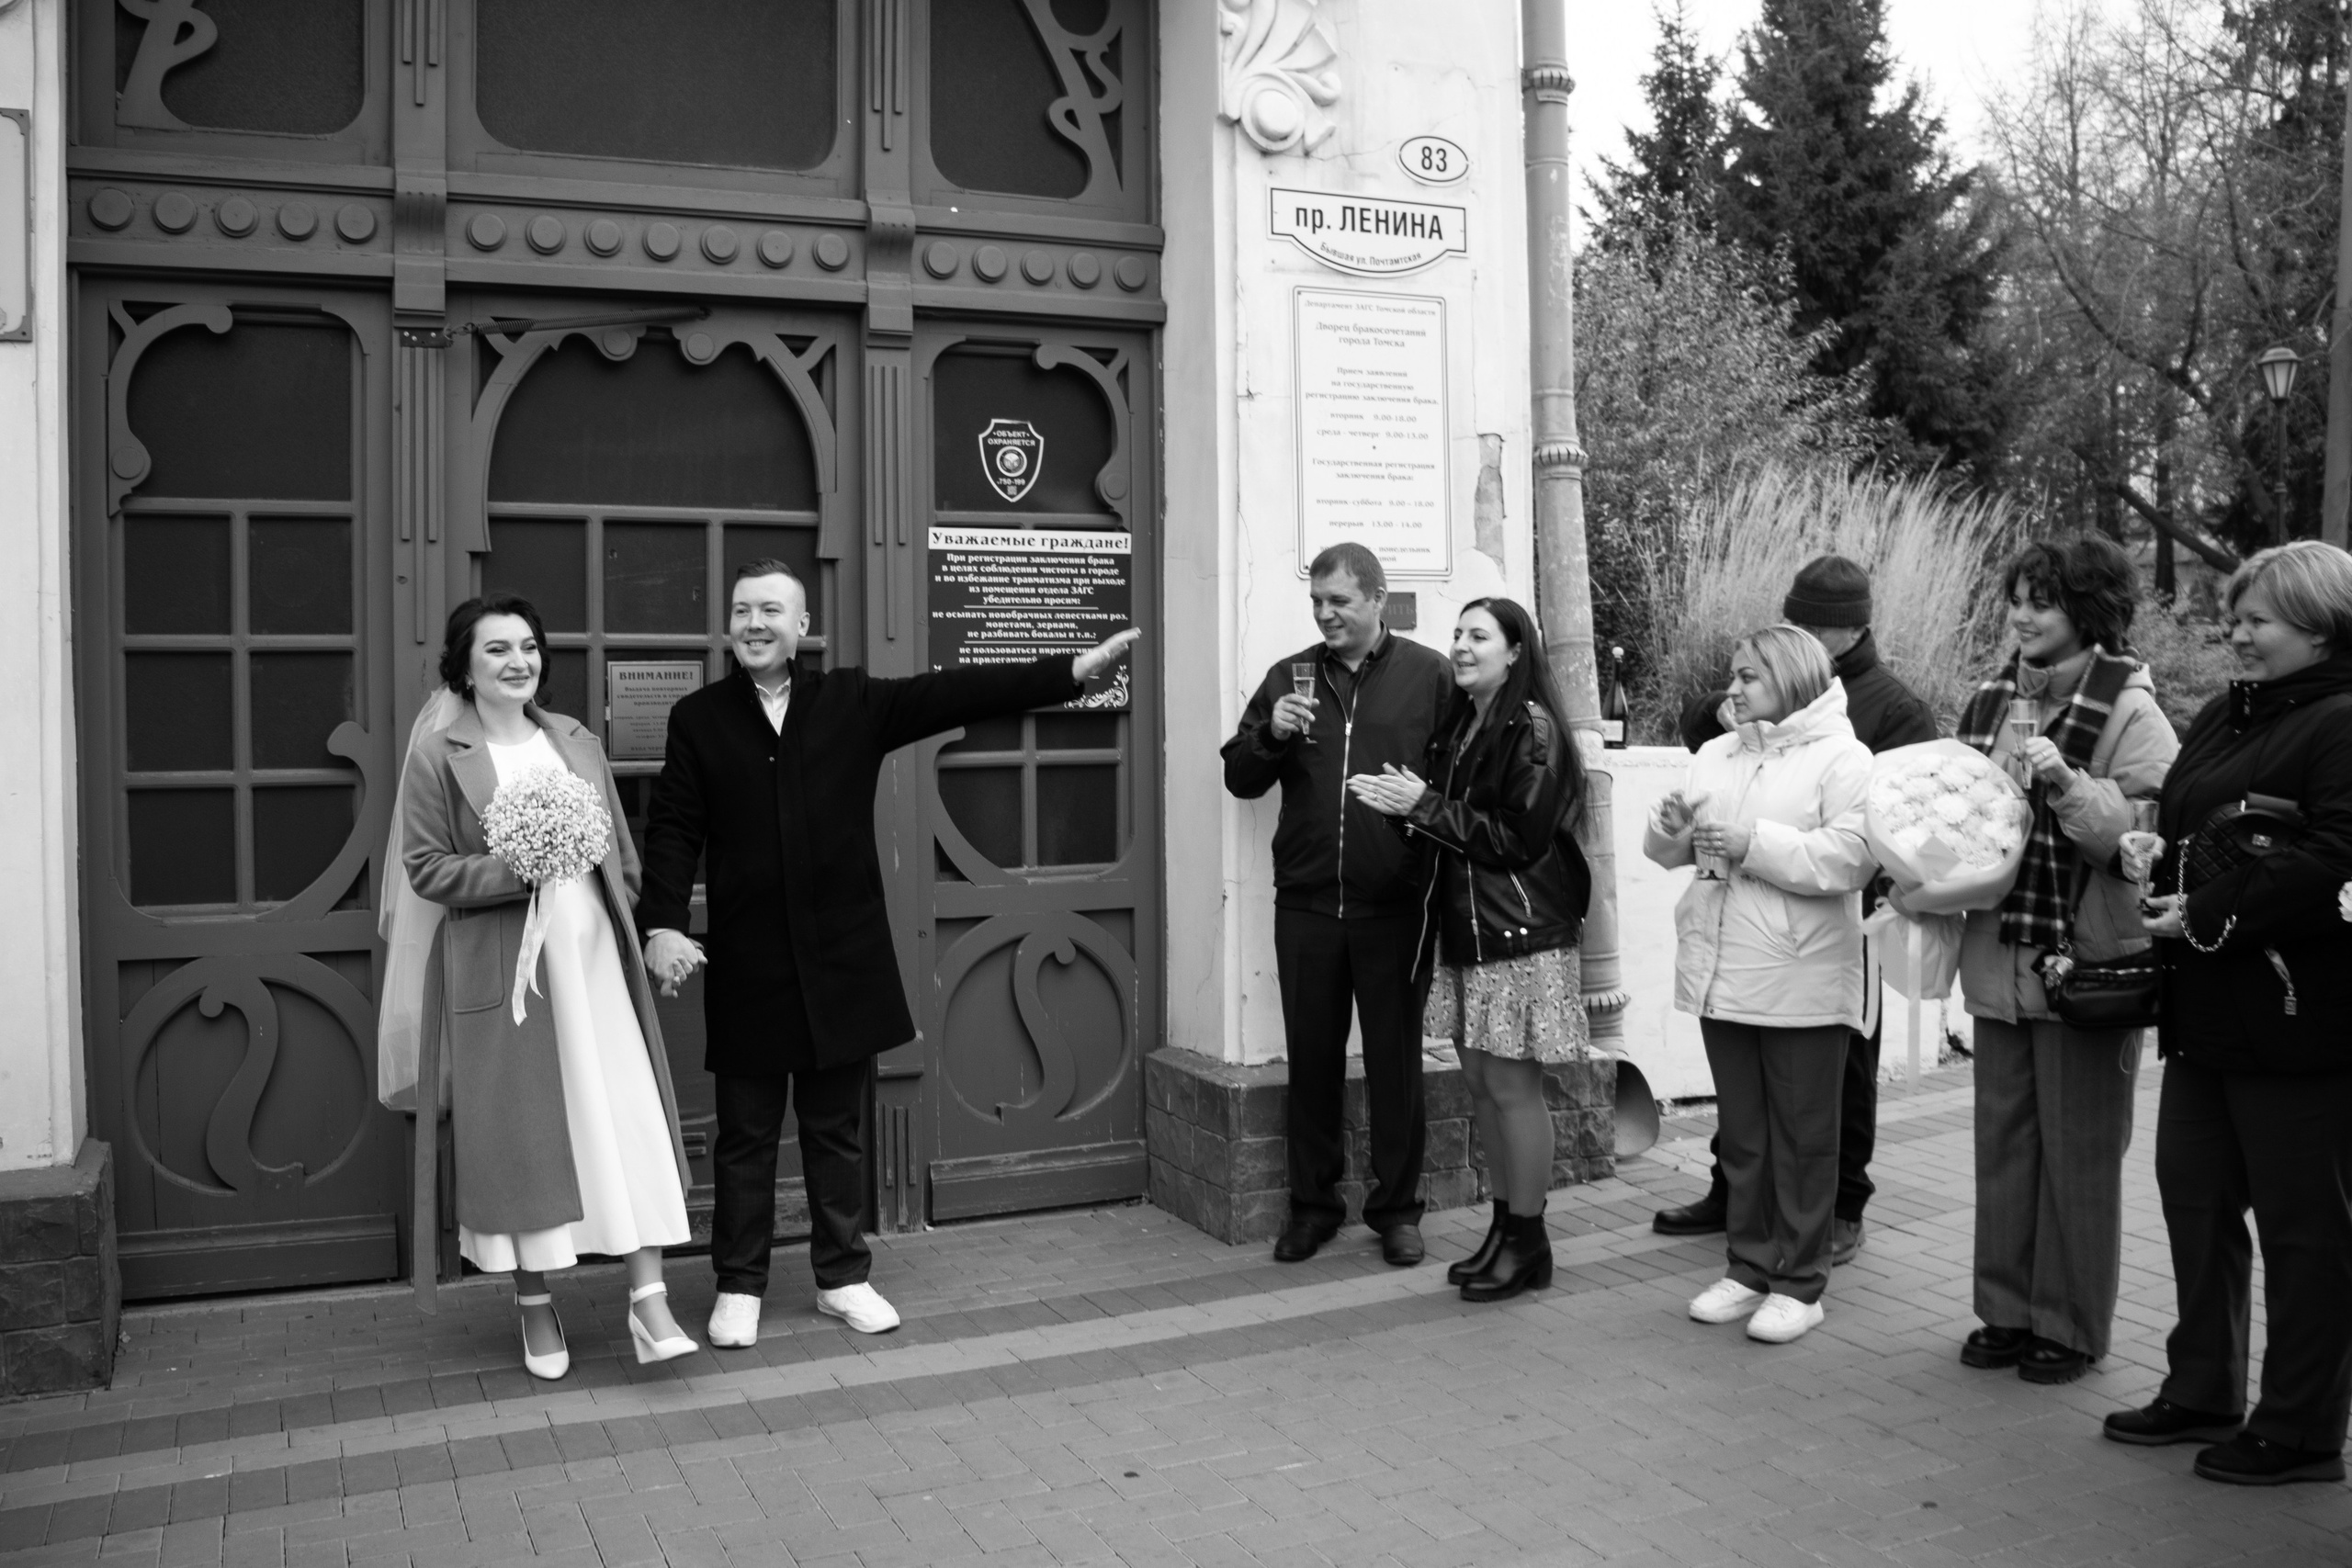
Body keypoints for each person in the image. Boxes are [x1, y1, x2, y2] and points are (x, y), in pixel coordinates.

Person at [638, 560, 1138, 1346]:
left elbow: (957, 693)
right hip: (750, 961)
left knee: (836, 1129)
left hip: (844, 959)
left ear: (803, 626)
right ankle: (738, 1283)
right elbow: (671, 826)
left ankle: (842, 1277)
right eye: (741, 611)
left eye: (771, 610)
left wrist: (1068, 673)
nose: (754, 624)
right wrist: (663, 923)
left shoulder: (851, 701)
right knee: (746, 1136)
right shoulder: (698, 718)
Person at [384, 592, 698, 1379]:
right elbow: (426, 869)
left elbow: (620, 853)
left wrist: (634, 927)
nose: (517, 661)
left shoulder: (575, 740)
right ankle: (534, 1304)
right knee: (521, 1138)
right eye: (497, 649)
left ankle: (649, 1300)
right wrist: (520, 866)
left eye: (527, 646)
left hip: (594, 969)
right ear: (464, 666)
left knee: (623, 1116)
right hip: (509, 975)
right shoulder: (438, 756)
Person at [2109, 540, 2352, 1485]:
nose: (2238, 635)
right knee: (2193, 1198)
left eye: (2260, 620)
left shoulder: (2340, 720)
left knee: (2304, 1229)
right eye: (2235, 617)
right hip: (2208, 1010)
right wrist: (2153, 852)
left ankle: (2301, 1429)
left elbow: (2333, 858)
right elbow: (2205, 825)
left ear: (2321, 627)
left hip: (2300, 1019)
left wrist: (2204, 910)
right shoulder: (2227, 711)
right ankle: (2203, 1386)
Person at [1655, 556, 1936, 1267]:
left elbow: (1889, 829)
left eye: (1814, 625)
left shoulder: (1891, 710)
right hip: (1735, 931)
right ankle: (1736, 1200)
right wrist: (1726, 720)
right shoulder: (1751, 699)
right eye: (1793, 620)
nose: (1801, 632)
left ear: (1852, 630)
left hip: (1847, 923)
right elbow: (1704, 743)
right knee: (1747, 1092)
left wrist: (1759, 842)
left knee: (1842, 1079)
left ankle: (1840, 1207)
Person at [1947, 536, 2174, 1387]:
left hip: (2088, 967)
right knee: (2003, 1143)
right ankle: (2005, 1311)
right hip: (2000, 951)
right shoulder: (1990, 698)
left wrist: (2070, 783)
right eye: (2016, 598)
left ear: (2087, 609)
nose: (2021, 615)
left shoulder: (2132, 710)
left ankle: (2069, 1323)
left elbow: (2148, 840)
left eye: (2040, 601)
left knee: (2080, 1152)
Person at [1349, 598, 1590, 1303]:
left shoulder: (1534, 729)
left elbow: (1515, 838)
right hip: (1466, 930)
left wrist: (1421, 805)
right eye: (1456, 633)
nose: (1459, 645)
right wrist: (1406, 811)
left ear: (1515, 652)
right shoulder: (1463, 724)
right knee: (1482, 1083)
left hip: (1518, 933)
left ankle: (1529, 1239)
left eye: (1478, 636)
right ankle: (1505, 1228)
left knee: (1513, 1089)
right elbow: (1451, 828)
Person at [1221, 543, 1453, 1266]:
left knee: (1395, 1063)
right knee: (1313, 1062)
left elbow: (1457, 783)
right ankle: (1312, 1208)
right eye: (1317, 601)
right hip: (1308, 904)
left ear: (1378, 599)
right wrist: (1271, 734)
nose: (1324, 614)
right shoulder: (1289, 677)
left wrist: (1418, 842)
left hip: (1396, 905)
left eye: (1339, 600)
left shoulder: (1430, 676)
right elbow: (1239, 776)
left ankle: (1398, 1212)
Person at [1644, 626, 1875, 1345]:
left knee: (1805, 1140)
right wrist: (1670, 829)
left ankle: (1801, 1283)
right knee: (1743, 1138)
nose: (1733, 689)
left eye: (1748, 677)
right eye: (1734, 675)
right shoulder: (1717, 752)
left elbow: (1855, 859)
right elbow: (1673, 852)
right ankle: (1747, 1268)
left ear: (1792, 678)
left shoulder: (1844, 757)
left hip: (1802, 974)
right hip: (1723, 967)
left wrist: (1756, 843)